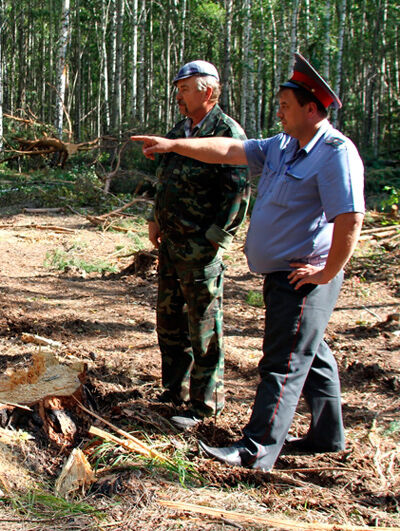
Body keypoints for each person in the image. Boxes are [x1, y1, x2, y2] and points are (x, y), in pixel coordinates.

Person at [132, 53, 365, 471]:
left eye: (285, 106)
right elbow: (226, 150)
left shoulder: (334, 152)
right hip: (281, 273)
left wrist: (327, 272)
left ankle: (255, 450)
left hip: (305, 275)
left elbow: (350, 217)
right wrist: (172, 145)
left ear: (312, 109)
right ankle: (328, 437)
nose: (278, 112)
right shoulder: (282, 146)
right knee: (312, 354)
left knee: (283, 365)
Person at [145, 60, 250, 430]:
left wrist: (216, 239)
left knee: (203, 327)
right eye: (178, 89)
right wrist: (155, 219)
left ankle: (205, 406)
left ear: (207, 90)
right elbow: (164, 178)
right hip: (172, 245)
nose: (178, 95)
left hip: (200, 249)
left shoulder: (227, 132)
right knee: (169, 322)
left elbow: (237, 191)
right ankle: (173, 389)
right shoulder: (181, 129)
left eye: (185, 88)